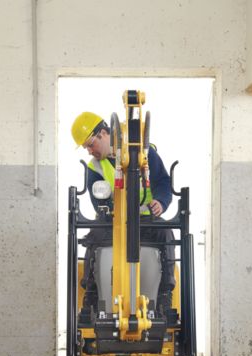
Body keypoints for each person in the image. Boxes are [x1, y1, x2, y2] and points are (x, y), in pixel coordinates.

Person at [71, 111, 176, 314]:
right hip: (113, 222)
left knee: (166, 233)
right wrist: (108, 210)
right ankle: (92, 295)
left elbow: (163, 182)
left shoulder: (145, 154)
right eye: (86, 148)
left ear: (103, 133)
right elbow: (97, 202)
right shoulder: (95, 167)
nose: (90, 152)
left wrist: (161, 202)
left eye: (91, 145)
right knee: (93, 237)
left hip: (146, 220)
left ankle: (164, 295)